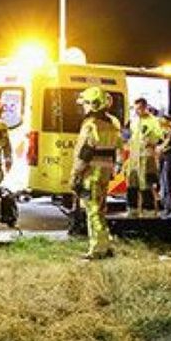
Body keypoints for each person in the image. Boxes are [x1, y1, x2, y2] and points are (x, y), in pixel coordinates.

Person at [70, 87, 123, 260]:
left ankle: (98, 249)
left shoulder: (90, 124)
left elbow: (85, 151)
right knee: (100, 209)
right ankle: (106, 244)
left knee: (93, 210)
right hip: (105, 171)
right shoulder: (113, 122)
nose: (83, 107)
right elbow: (118, 148)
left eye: (85, 103)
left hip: (91, 171)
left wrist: (75, 173)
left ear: (93, 104)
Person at [125, 98, 162, 217]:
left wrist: (151, 141)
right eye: (135, 109)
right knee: (132, 183)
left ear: (145, 107)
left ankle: (149, 211)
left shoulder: (153, 120)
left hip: (146, 156)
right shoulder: (133, 120)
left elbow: (158, 136)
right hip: (134, 156)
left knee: (146, 184)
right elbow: (128, 136)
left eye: (140, 108)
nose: (137, 111)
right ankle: (132, 209)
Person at [157, 114, 171, 218]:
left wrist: (159, 149)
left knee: (168, 184)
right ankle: (167, 208)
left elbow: (165, 146)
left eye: (163, 120)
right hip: (164, 159)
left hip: (169, 160)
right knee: (164, 184)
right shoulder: (163, 131)